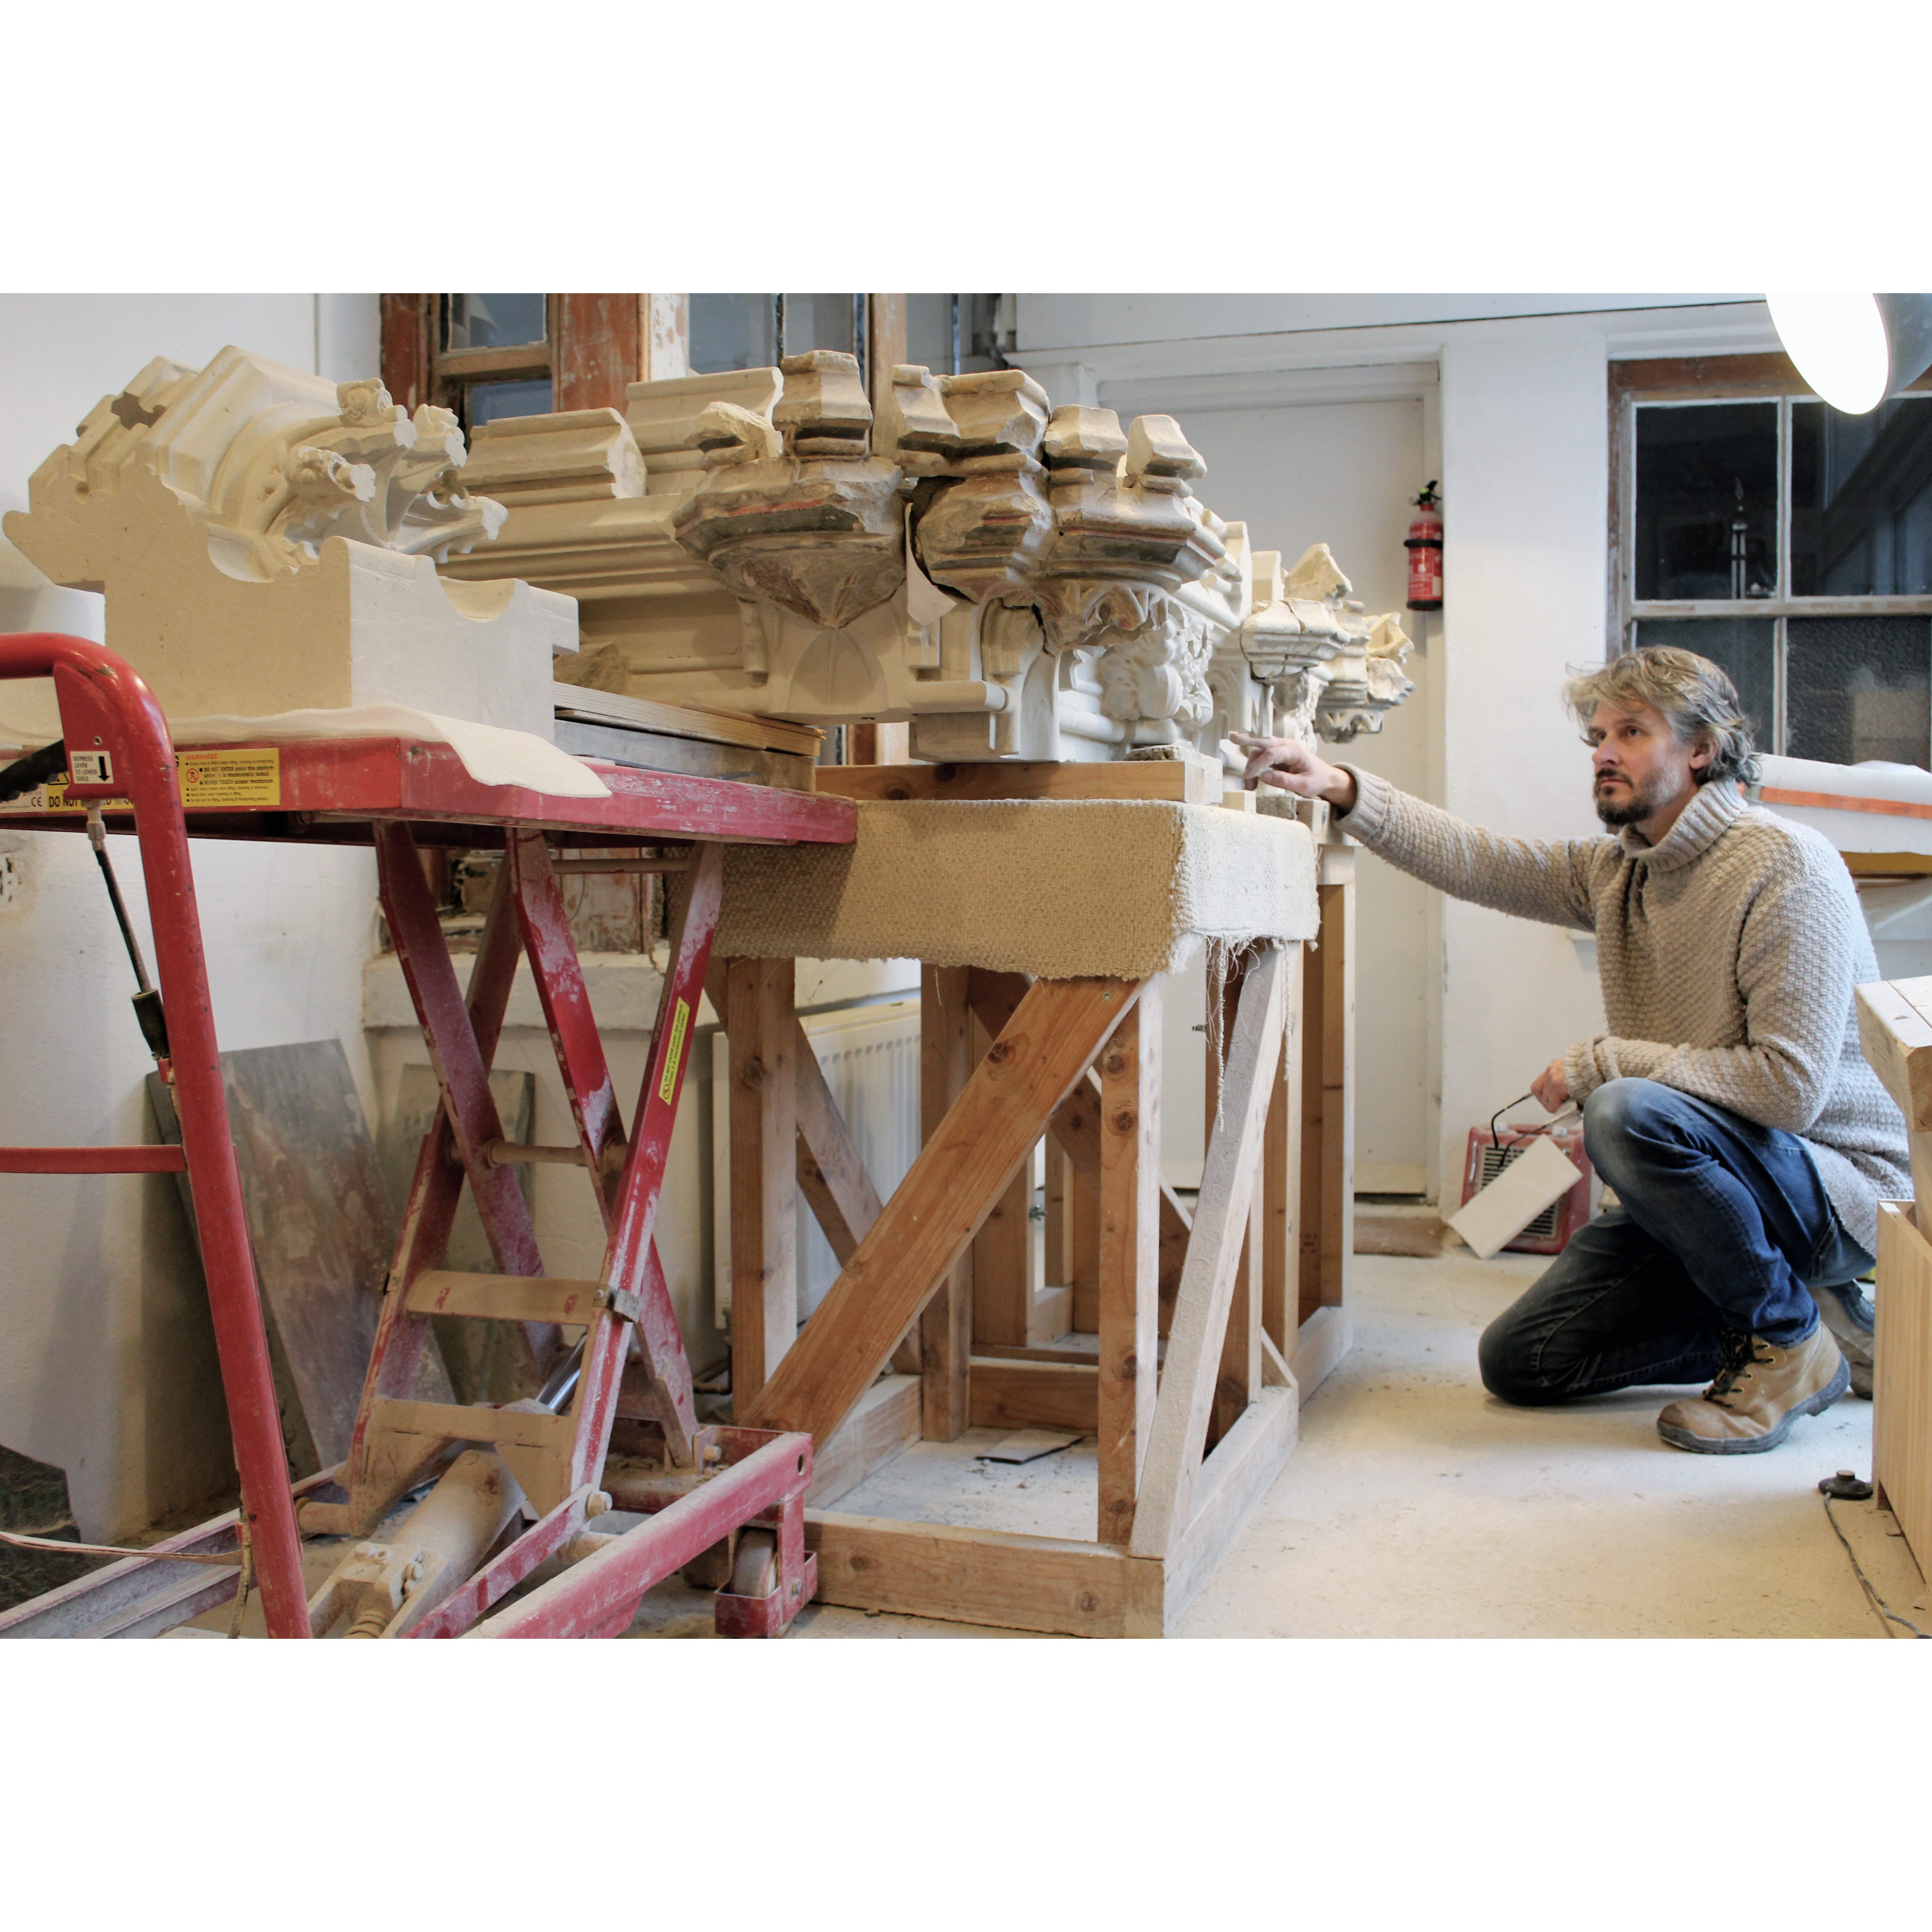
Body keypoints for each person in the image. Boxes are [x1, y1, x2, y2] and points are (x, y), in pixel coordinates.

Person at [1233, 645, 1910, 1455]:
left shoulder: (1786, 866)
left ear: (1703, 748)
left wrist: (1600, 1063)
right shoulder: (1622, 871)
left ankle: (1788, 1337)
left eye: (1632, 731)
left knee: (1627, 1110)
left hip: (1836, 1188)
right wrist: (1343, 787)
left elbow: (1788, 1090)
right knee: (1526, 1362)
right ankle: (1806, 1325)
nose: (1605, 753)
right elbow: (1482, 861)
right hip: (1722, 1189)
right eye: (1597, 735)